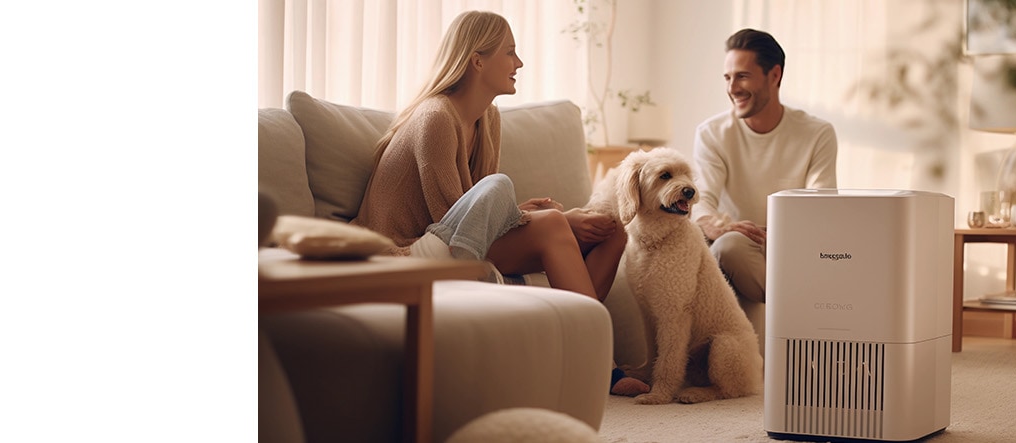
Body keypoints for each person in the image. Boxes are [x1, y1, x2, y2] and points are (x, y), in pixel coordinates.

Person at [350, 10, 648, 396]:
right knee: (548, 218)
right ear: (477, 60)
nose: (519, 63)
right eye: (510, 52)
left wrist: (525, 213)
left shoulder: (487, 119)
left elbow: (472, 209)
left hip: (457, 240)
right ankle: (602, 367)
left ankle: (561, 343)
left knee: (612, 235)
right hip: (407, 252)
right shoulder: (435, 117)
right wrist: (544, 218)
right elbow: (452, 222)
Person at [692, 28, 838, 304]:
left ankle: (802, 307)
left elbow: (821, 208)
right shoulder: (712, 133)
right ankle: (803, 309)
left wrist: (779, 239)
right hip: (741, 246)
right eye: (728, 77)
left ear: (774, 76)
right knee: (729, 246)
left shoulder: (817, 133)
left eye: (743, 76)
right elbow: (701, 201)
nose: (732, 88)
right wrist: (714, 225)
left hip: (796, 246)